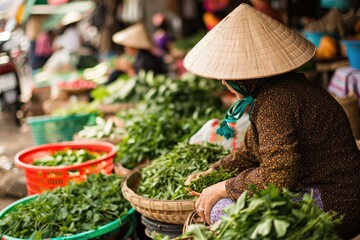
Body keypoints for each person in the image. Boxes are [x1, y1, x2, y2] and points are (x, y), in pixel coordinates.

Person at [183, 3, 360, 239]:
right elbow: (250, 152)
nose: (223, 83)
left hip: (336, 204)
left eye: (224, 78)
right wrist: (214, 171)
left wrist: (224, 187)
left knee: (221, 211)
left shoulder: (276, 103)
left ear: (240, 78)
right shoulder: (276, 92)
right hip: (339, 193)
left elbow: (279, 176)